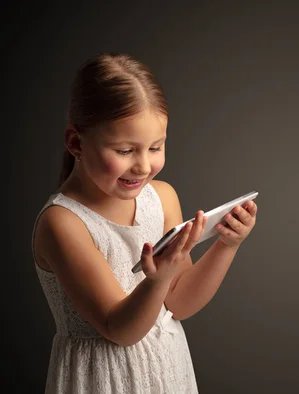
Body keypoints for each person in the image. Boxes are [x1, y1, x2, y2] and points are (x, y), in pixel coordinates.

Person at [31, 52, 258, 393]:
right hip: (101, 379)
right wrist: (157, 281)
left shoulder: (162, 197)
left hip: (167, 371)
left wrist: (227, 244)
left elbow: (179, 303)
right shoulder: (63, 223)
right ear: (76, 142)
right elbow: (120, 330)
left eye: (155, 147)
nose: (143, 166)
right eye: (125, 151)